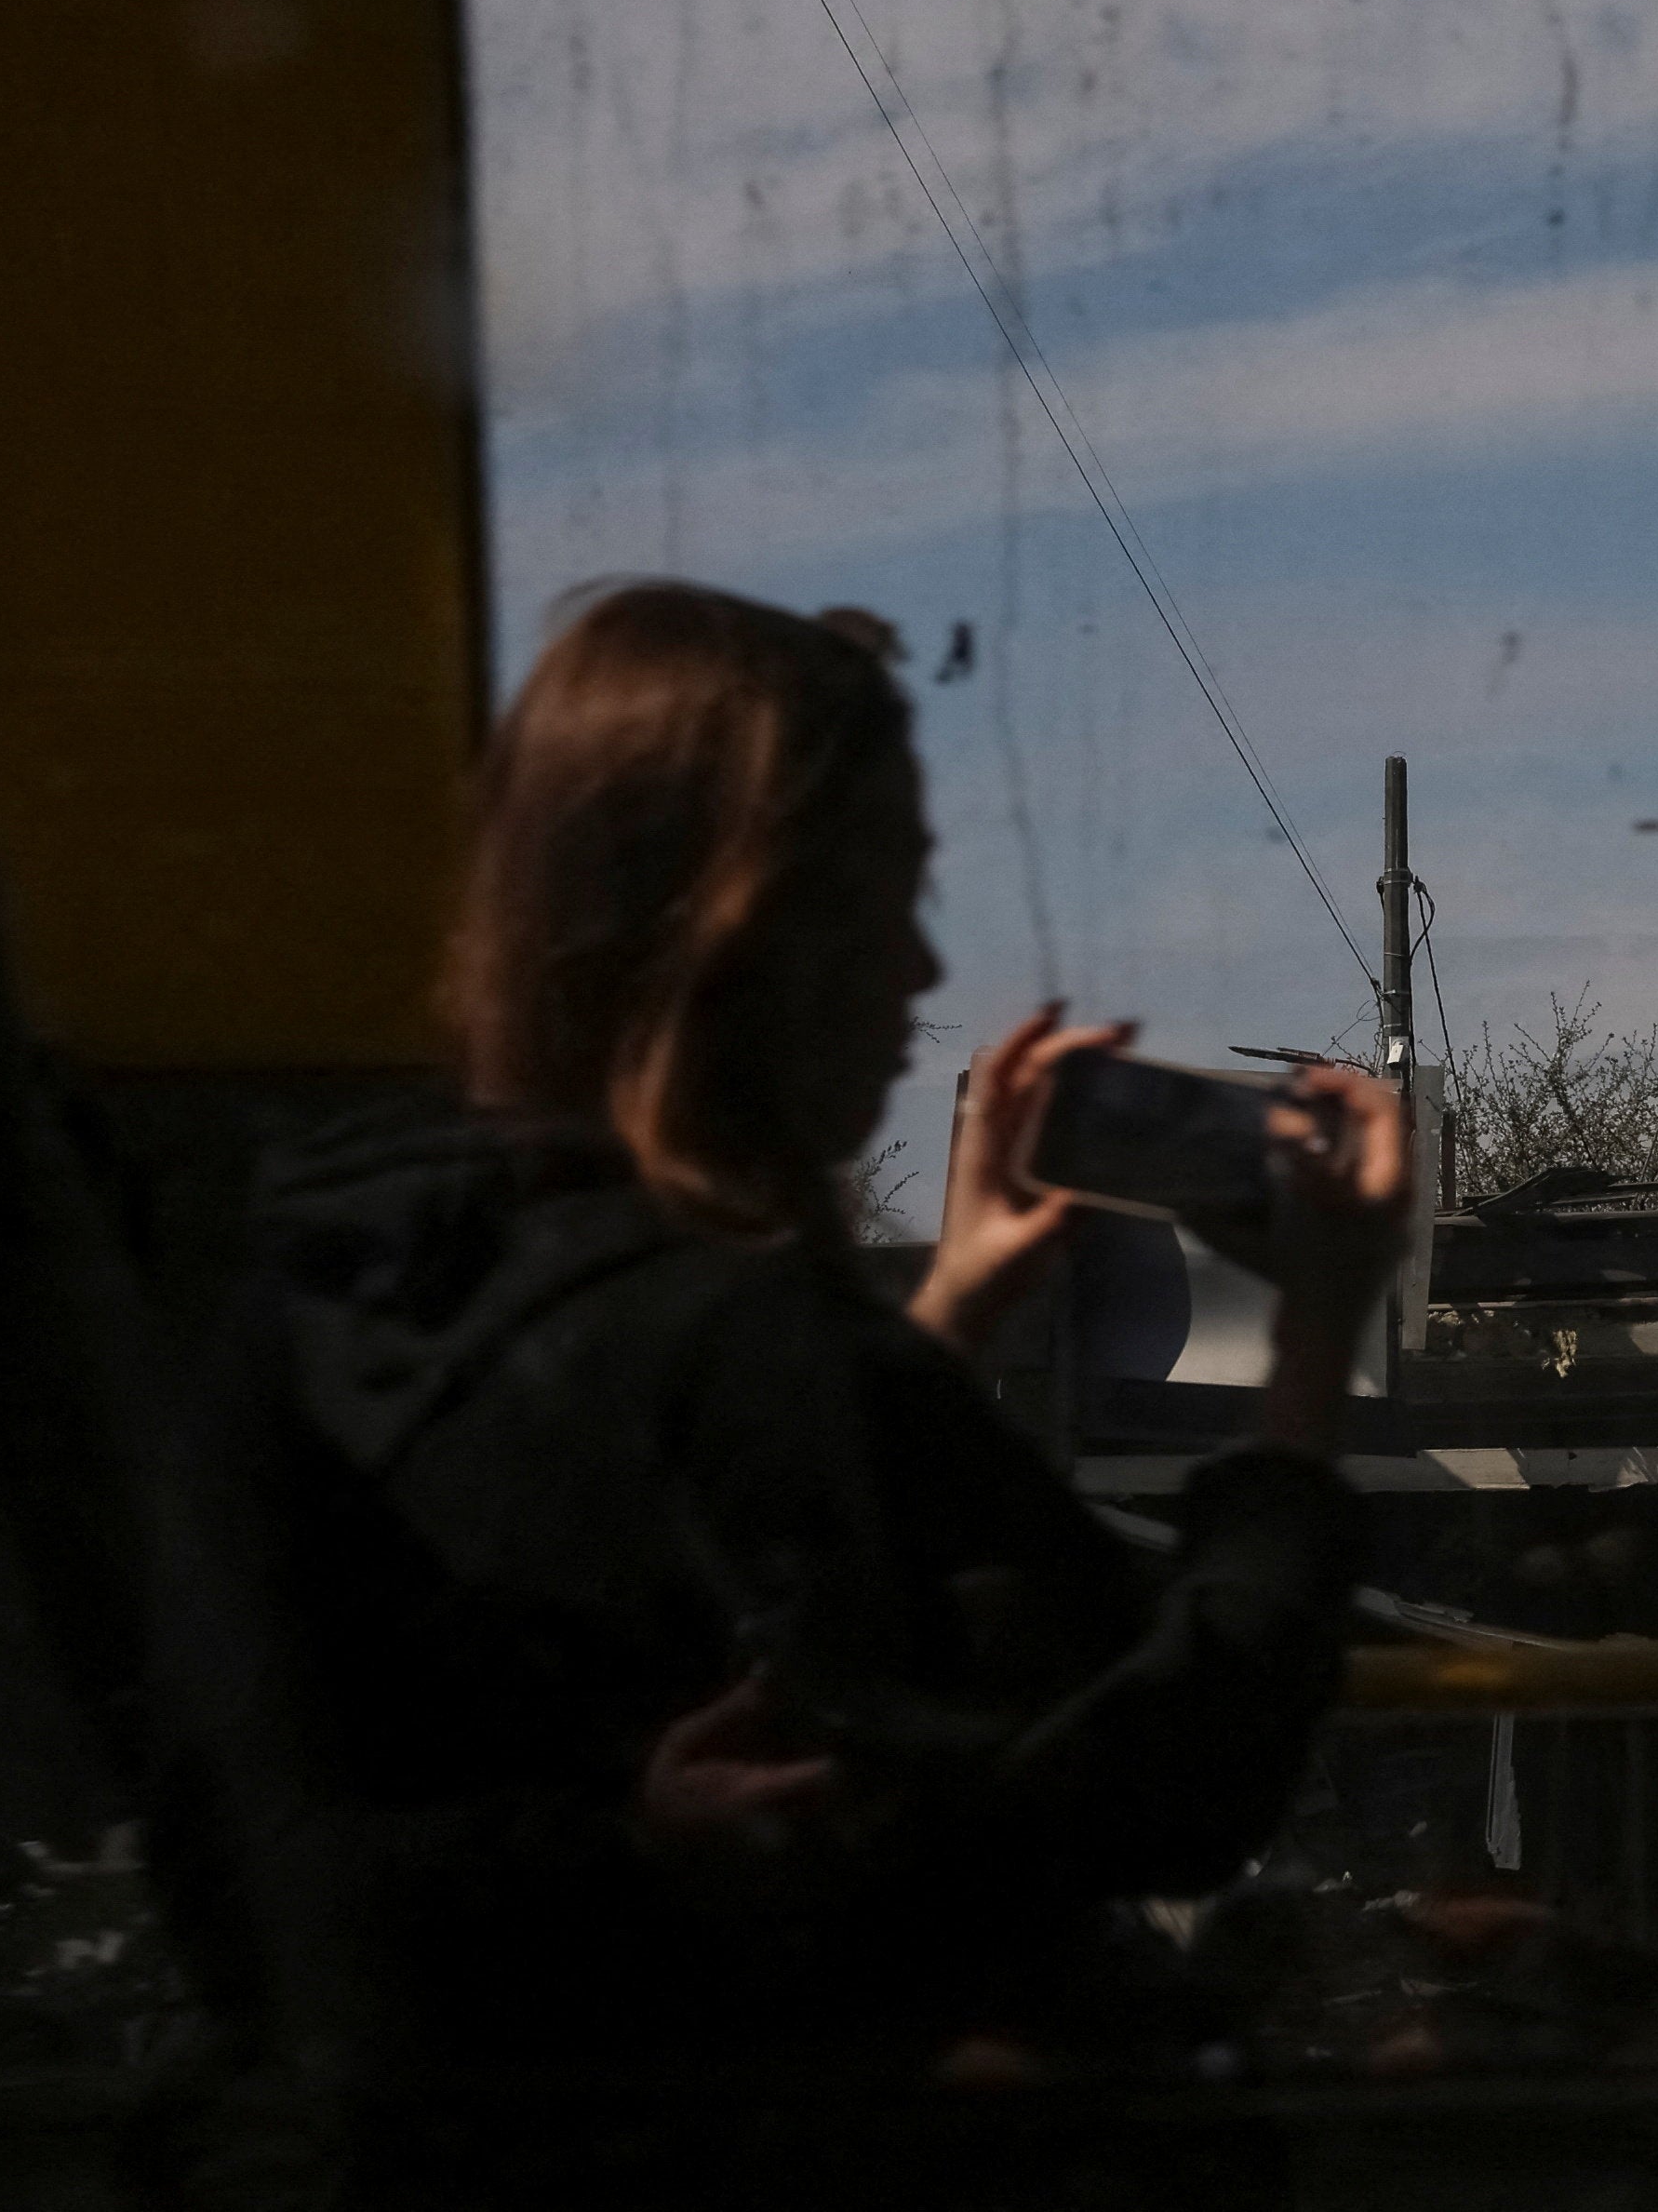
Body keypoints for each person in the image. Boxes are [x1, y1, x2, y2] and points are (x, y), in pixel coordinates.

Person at [143, 583, 1406, 2177]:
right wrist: (1309, 1361)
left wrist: (942, 1312)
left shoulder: (308, 1303)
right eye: (887, 896)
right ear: (756, 932)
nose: (923, 964)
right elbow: (1175, 1774)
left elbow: (253, 1863)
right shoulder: (772, 1358)